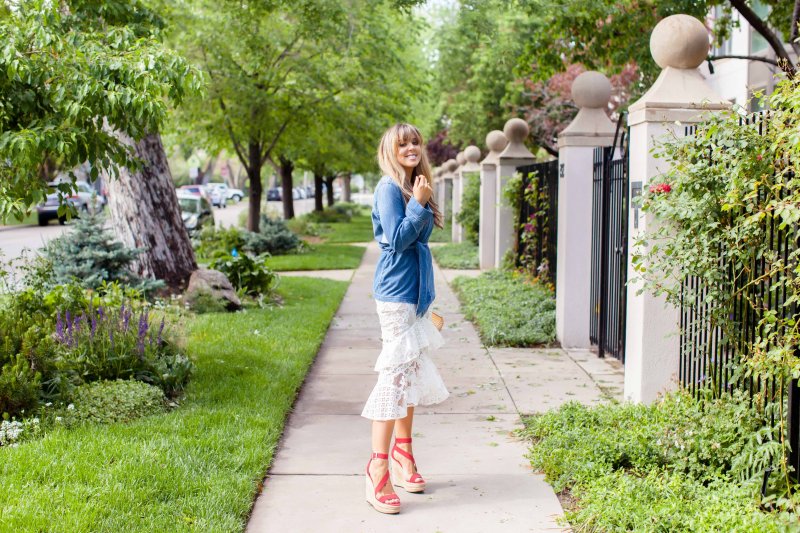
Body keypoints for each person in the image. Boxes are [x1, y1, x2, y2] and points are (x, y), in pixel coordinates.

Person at [362, 123, 450, 514]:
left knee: (411, 375)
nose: (411, 147)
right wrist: (418, 203)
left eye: (415, 142)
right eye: (403, 143)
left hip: (416, 296)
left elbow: (421, 244)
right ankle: (377, 468)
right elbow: (396, 242)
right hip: (396, 295)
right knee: (395, 377)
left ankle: (403, 455)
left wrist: (428, 305)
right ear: (390, 150)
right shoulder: (388, 189)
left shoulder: (418, 186)